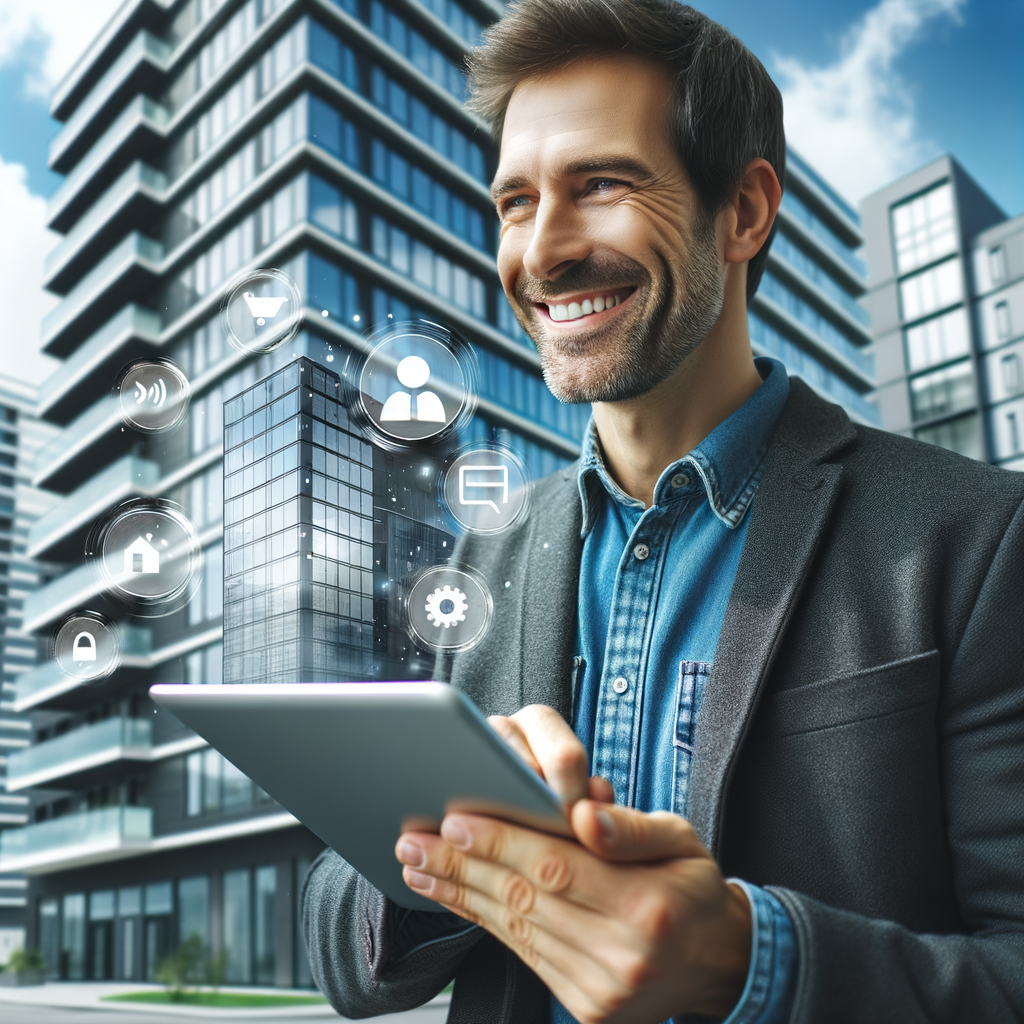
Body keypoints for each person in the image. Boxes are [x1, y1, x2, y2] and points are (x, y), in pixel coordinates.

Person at [301, 1, 1024, 1021]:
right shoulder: (488, 545)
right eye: (514, 202)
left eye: (598, 184)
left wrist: (748, 959)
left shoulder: (980, 539)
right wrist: (451, 842)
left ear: (742, 211)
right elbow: (336, 931)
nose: (541, 252)